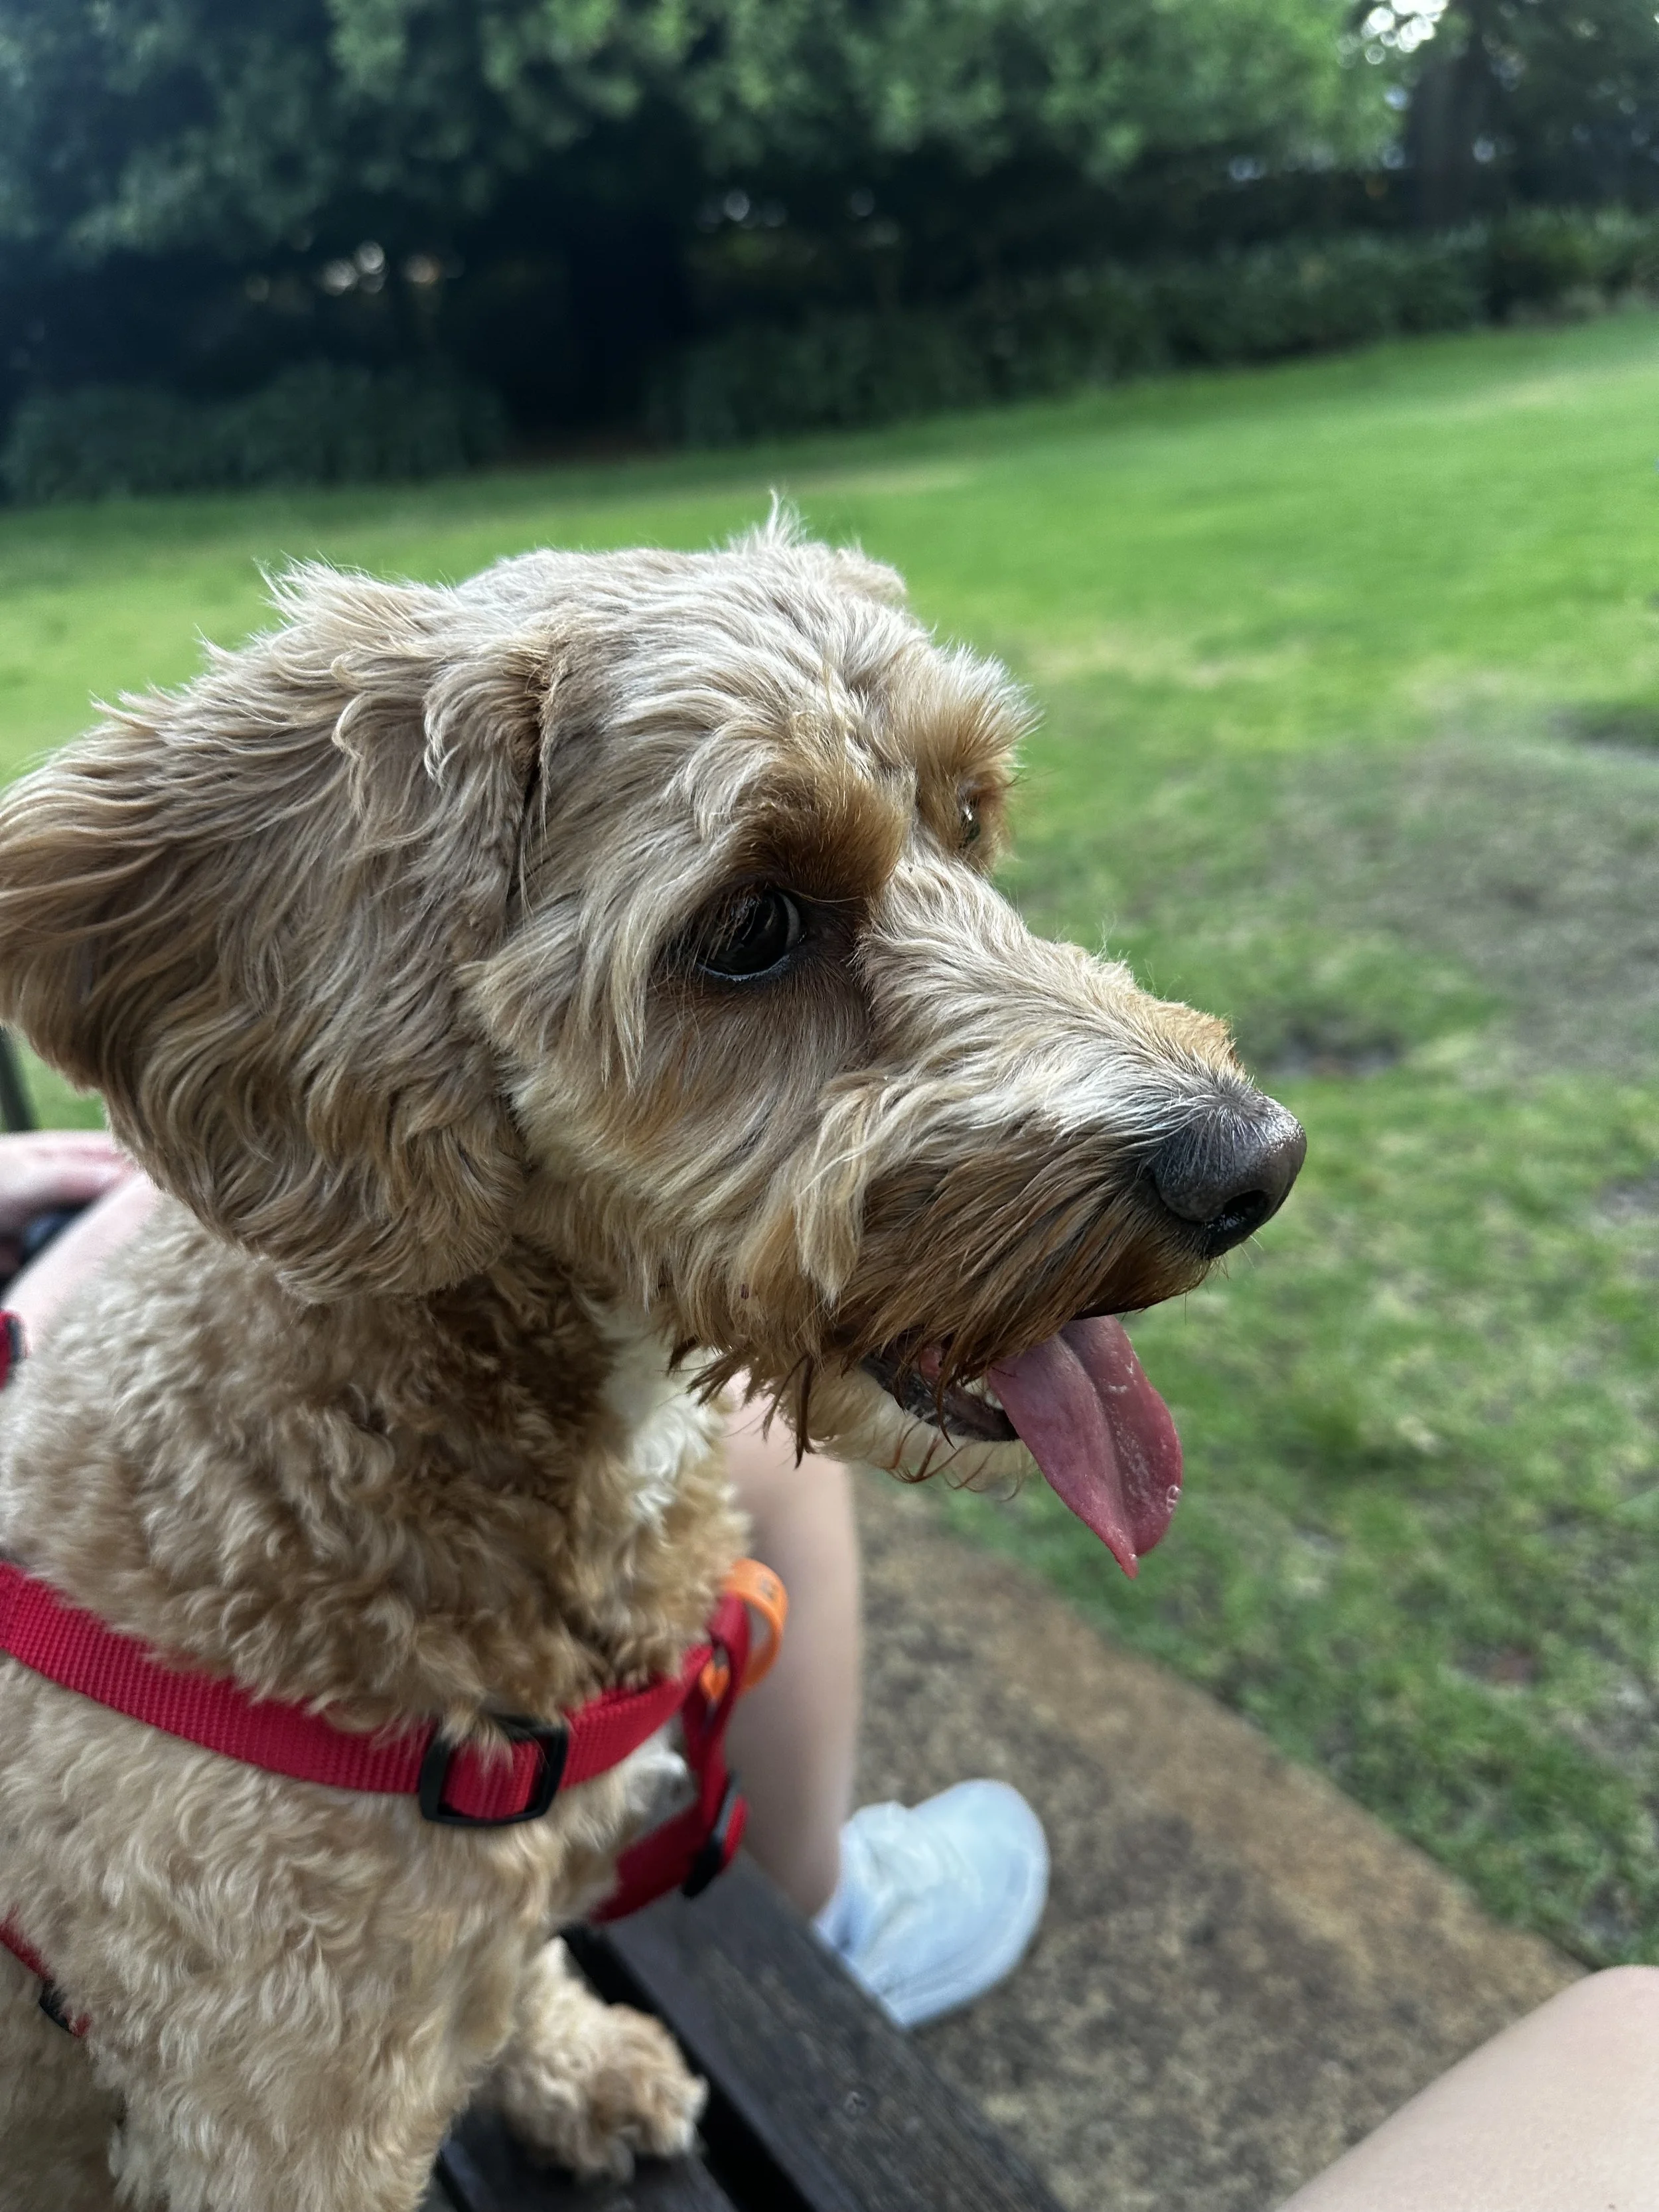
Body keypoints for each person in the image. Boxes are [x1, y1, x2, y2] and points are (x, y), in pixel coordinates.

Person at [8, 1135, 1659, 2211]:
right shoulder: (250, 1786)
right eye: (753, 942)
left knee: (736, 1462)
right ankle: (798, 1915)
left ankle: (592, 1987)